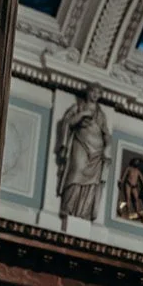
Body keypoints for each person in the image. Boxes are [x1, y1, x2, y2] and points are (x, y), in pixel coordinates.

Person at [55, 85, 110, 223]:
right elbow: (68, 122)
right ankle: (68, 207)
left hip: (97, 151)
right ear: (88, 92)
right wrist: (82, 115)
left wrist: (107, 146)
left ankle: (83, 211)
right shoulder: (78, 107)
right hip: (81, 144)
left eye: (99, 93)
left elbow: (106, 134)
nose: (96, 95)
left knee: (92, 182)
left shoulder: (101, 114)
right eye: (94, 91)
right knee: (77, 171)